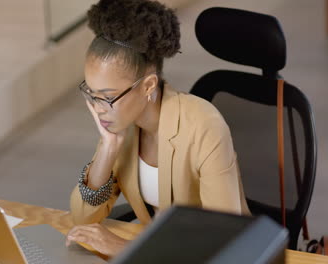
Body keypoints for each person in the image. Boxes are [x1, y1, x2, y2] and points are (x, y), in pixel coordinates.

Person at [65, 0, 250, 257]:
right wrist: (108, 149)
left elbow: (223, 242)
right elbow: (82, 218)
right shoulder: (122, 126)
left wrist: (124, 247)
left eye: (106, 97)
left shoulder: (204, 125)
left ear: (148, 86)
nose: (98, 108)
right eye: (91, 94)